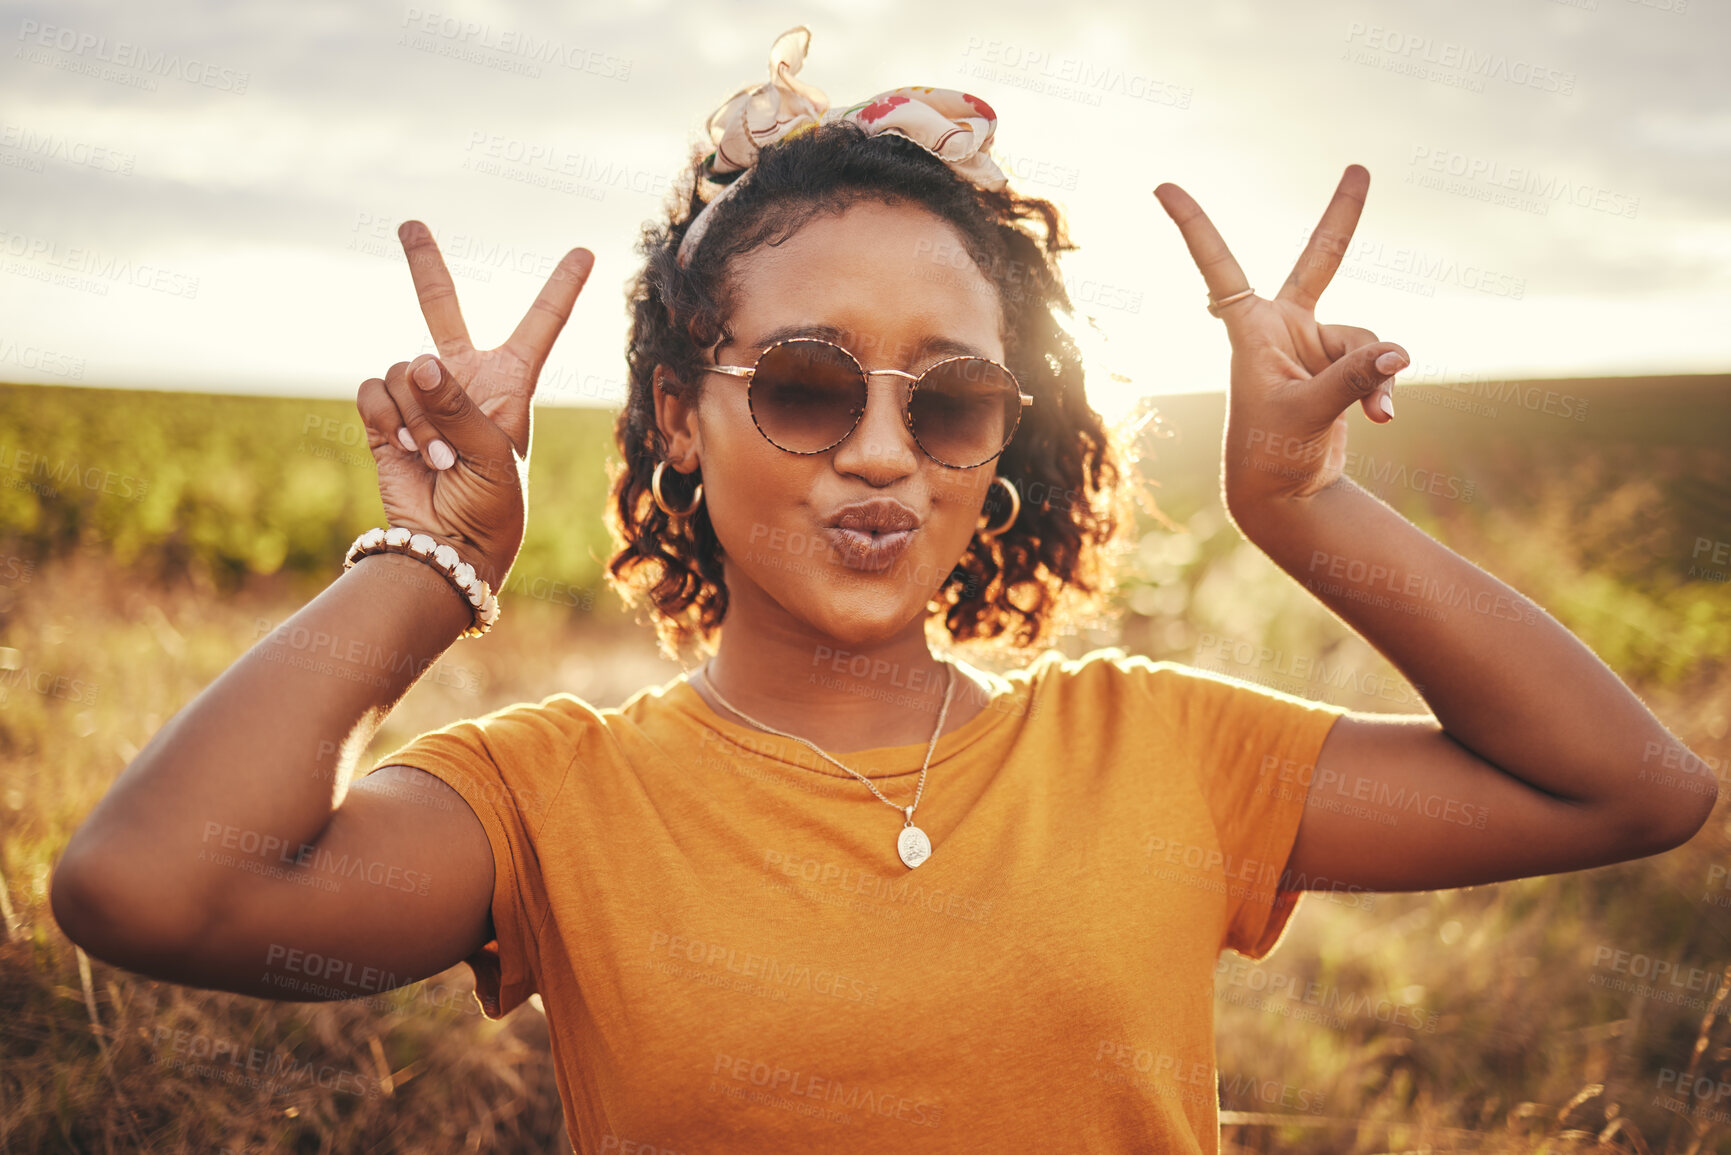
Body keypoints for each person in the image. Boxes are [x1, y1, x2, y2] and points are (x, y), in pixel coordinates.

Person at [49, 25, 1715, 1155]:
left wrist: (1300, 508)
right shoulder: (552, 801)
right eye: (802, 383)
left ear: (1000, 446)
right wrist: (438, 564)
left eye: (950, 399)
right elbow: (149, 893)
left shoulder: (1157, 756)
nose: (879, 451)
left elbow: (1630, 787)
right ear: (684, 418)